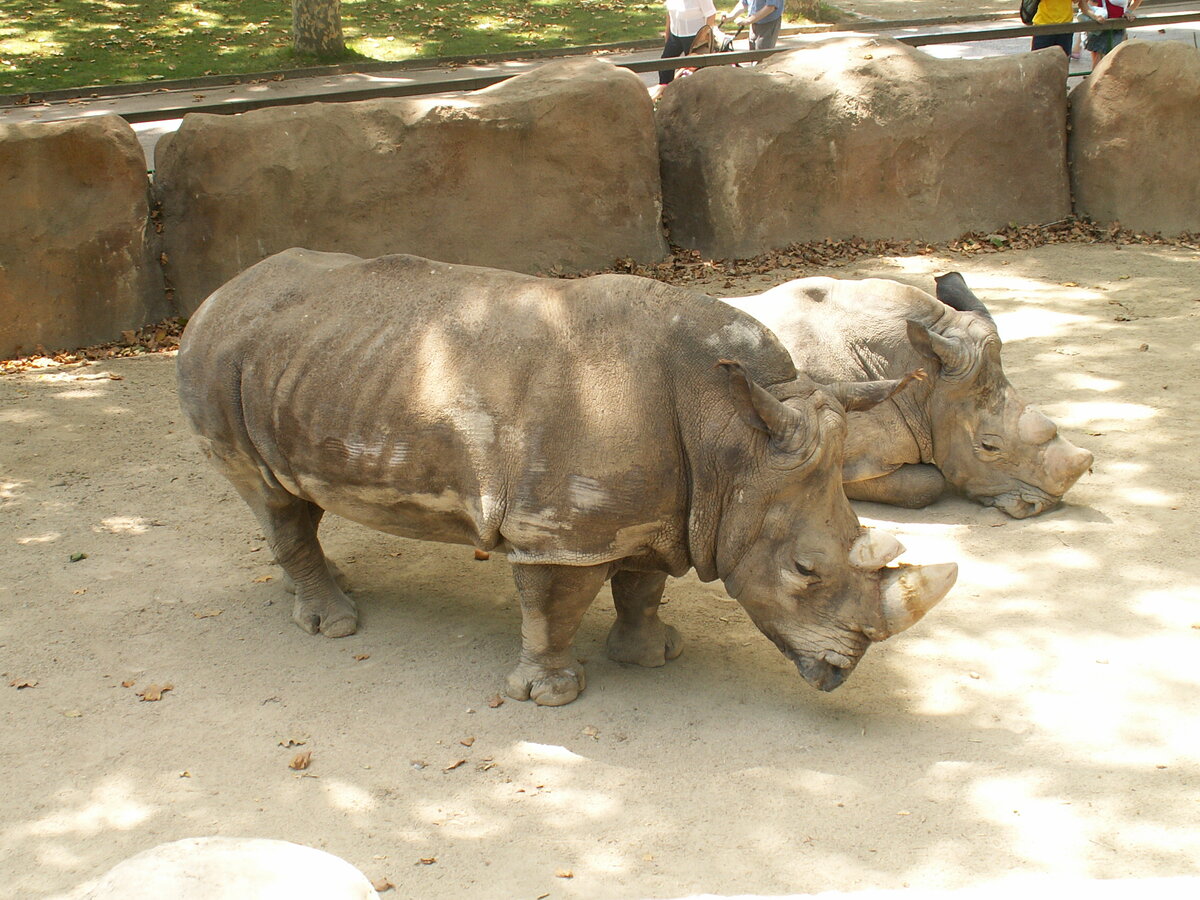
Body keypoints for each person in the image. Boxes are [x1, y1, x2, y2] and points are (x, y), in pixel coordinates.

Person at [656, 0, 718, 90]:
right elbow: (669, 15)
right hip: (675, 35)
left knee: (693, 69)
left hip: (694, 36)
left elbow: (711, 15)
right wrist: (667, 35)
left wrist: (702, 37)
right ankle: (664, 93)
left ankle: (697, 95)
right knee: (665, 63)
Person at [1031, 0, 1104, 56]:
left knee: (1062, 63)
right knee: (1040, 61)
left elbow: (1081, 3)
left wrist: (1095, 16)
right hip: (1043, 27)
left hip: (1065, 28)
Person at [1085, 0, 1142, 66]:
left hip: (1117, 27)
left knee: (1114, 59)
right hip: (1098, 26)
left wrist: (1128, 11)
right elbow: (1085, 3)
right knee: (1100, 60)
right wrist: (1093, 15)